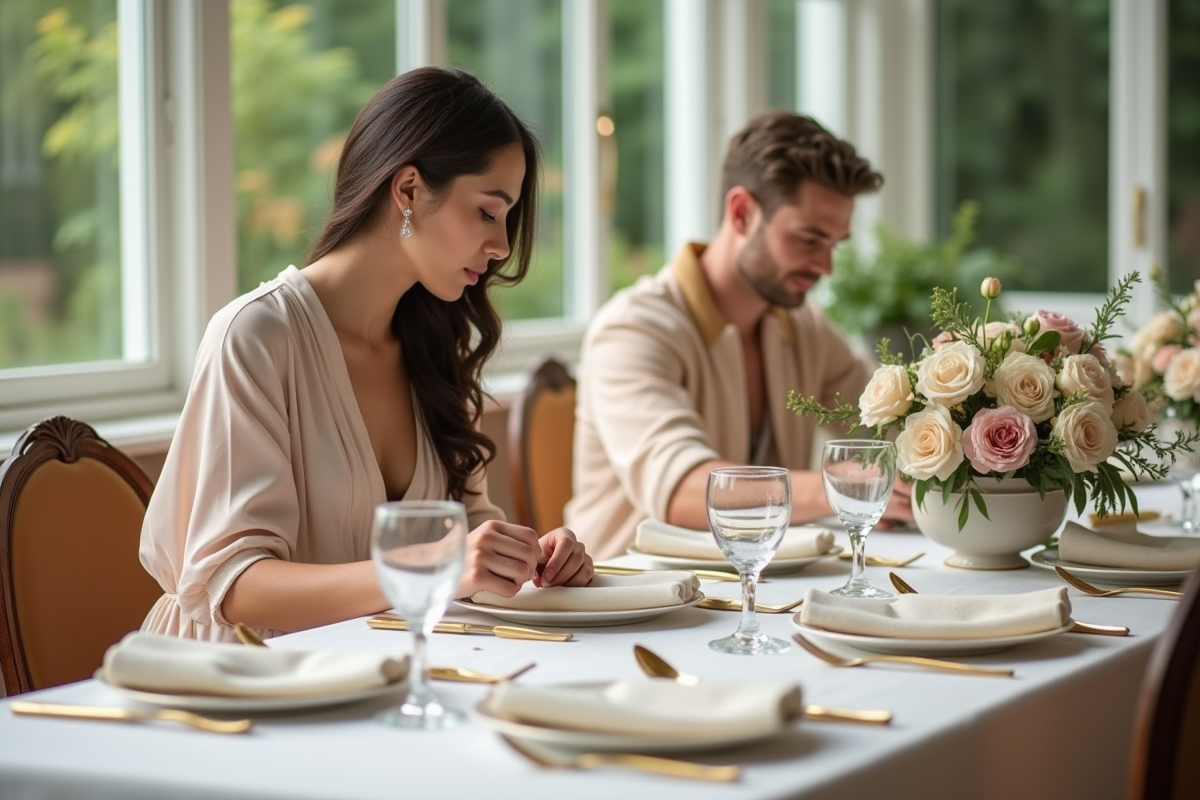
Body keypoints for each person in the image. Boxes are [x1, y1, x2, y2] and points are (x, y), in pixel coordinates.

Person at [140, 67, 593, 642]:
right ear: (407, 191)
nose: (501, 244)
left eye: (507, 218)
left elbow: (468, 531)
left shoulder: (435, 344)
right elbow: (237, 591)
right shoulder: (254, 336)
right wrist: (437, 567)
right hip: (238, 688)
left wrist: (530, 558)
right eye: (487, 211)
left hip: (372, 674)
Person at [565, 111, 912, 560]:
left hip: (753, 598)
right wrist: (843, 485)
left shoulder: (803, 325)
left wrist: (949, 413)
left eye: (834, 244)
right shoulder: (631, 330)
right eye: (809, 239)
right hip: (625, 602)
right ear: (742, 212)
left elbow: (886, 429)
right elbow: (681, 491)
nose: (826, 267)